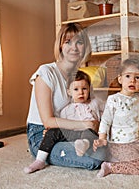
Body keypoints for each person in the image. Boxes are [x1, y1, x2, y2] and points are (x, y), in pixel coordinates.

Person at [26, 23, 103, 171]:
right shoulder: (46, 72)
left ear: (85, 47)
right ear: (60, 46)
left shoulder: (79, 78)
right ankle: (39, 154)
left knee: (104, 145)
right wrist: (86, 125)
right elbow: (48, 121)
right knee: (94, 158)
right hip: (42, 134)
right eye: (68, 42)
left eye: (79, 42)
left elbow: (91, 108)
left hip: (72, 131)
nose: (74, 48)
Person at [24, 70, 106, 174]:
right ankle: (40, 160)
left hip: (89, 134)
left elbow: (107, 115)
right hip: (71, 134)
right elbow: (60, 124)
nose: (81, 92)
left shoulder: (95, 103)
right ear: (69, 92)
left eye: (84, 89)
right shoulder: (66, 109)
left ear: (89, 89)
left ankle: (83, 144)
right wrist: (48, 131)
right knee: (52, 132)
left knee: (90, 133)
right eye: (76, 89)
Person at [93, 56, 139, 178]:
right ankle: (110, 166)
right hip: (120, 144)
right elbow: (105, 121)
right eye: (128, 76)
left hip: (136, 140)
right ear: (120, 79)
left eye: (137, 77)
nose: (133, 81)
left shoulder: (138, 100)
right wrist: (102, 138)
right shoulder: (114, 99)